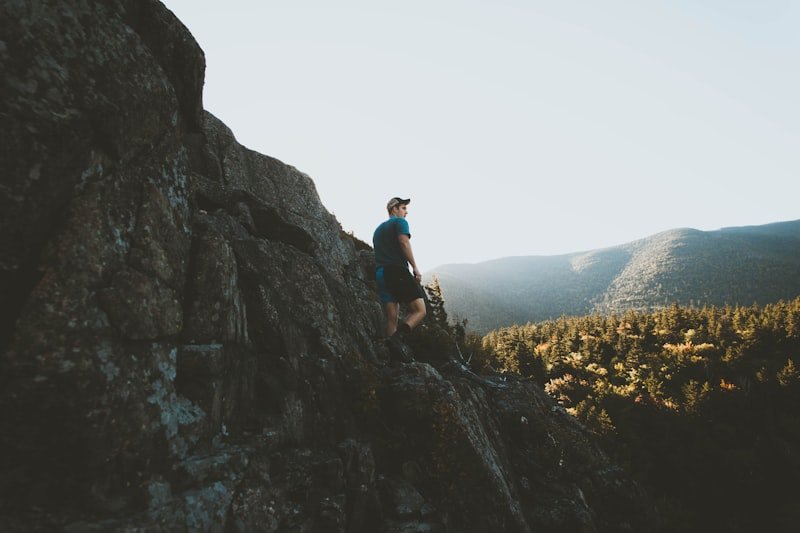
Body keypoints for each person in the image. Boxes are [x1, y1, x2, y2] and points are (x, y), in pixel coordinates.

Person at [373, 197, 427, 361]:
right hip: (396, 270)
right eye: (403, 208)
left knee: (391, 319)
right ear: (394, 209)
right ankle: (398, 339)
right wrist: (415, 267)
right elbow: (404, 242)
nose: (406, 212)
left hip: (381, 274)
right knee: (420, 310)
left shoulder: (377, 230)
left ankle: (391, 358)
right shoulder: (400, 223)